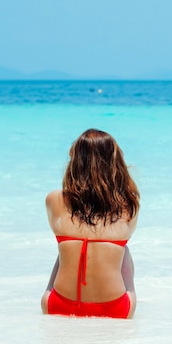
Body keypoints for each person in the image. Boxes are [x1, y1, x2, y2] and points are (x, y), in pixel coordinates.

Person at [41, 129, 140, 319]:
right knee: (123, 250)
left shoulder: (54, 200)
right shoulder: (129, 204)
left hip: (58, 305)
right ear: (115, 162)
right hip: (115, 309)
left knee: (67, 247)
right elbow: (126, 236)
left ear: (75, 161)